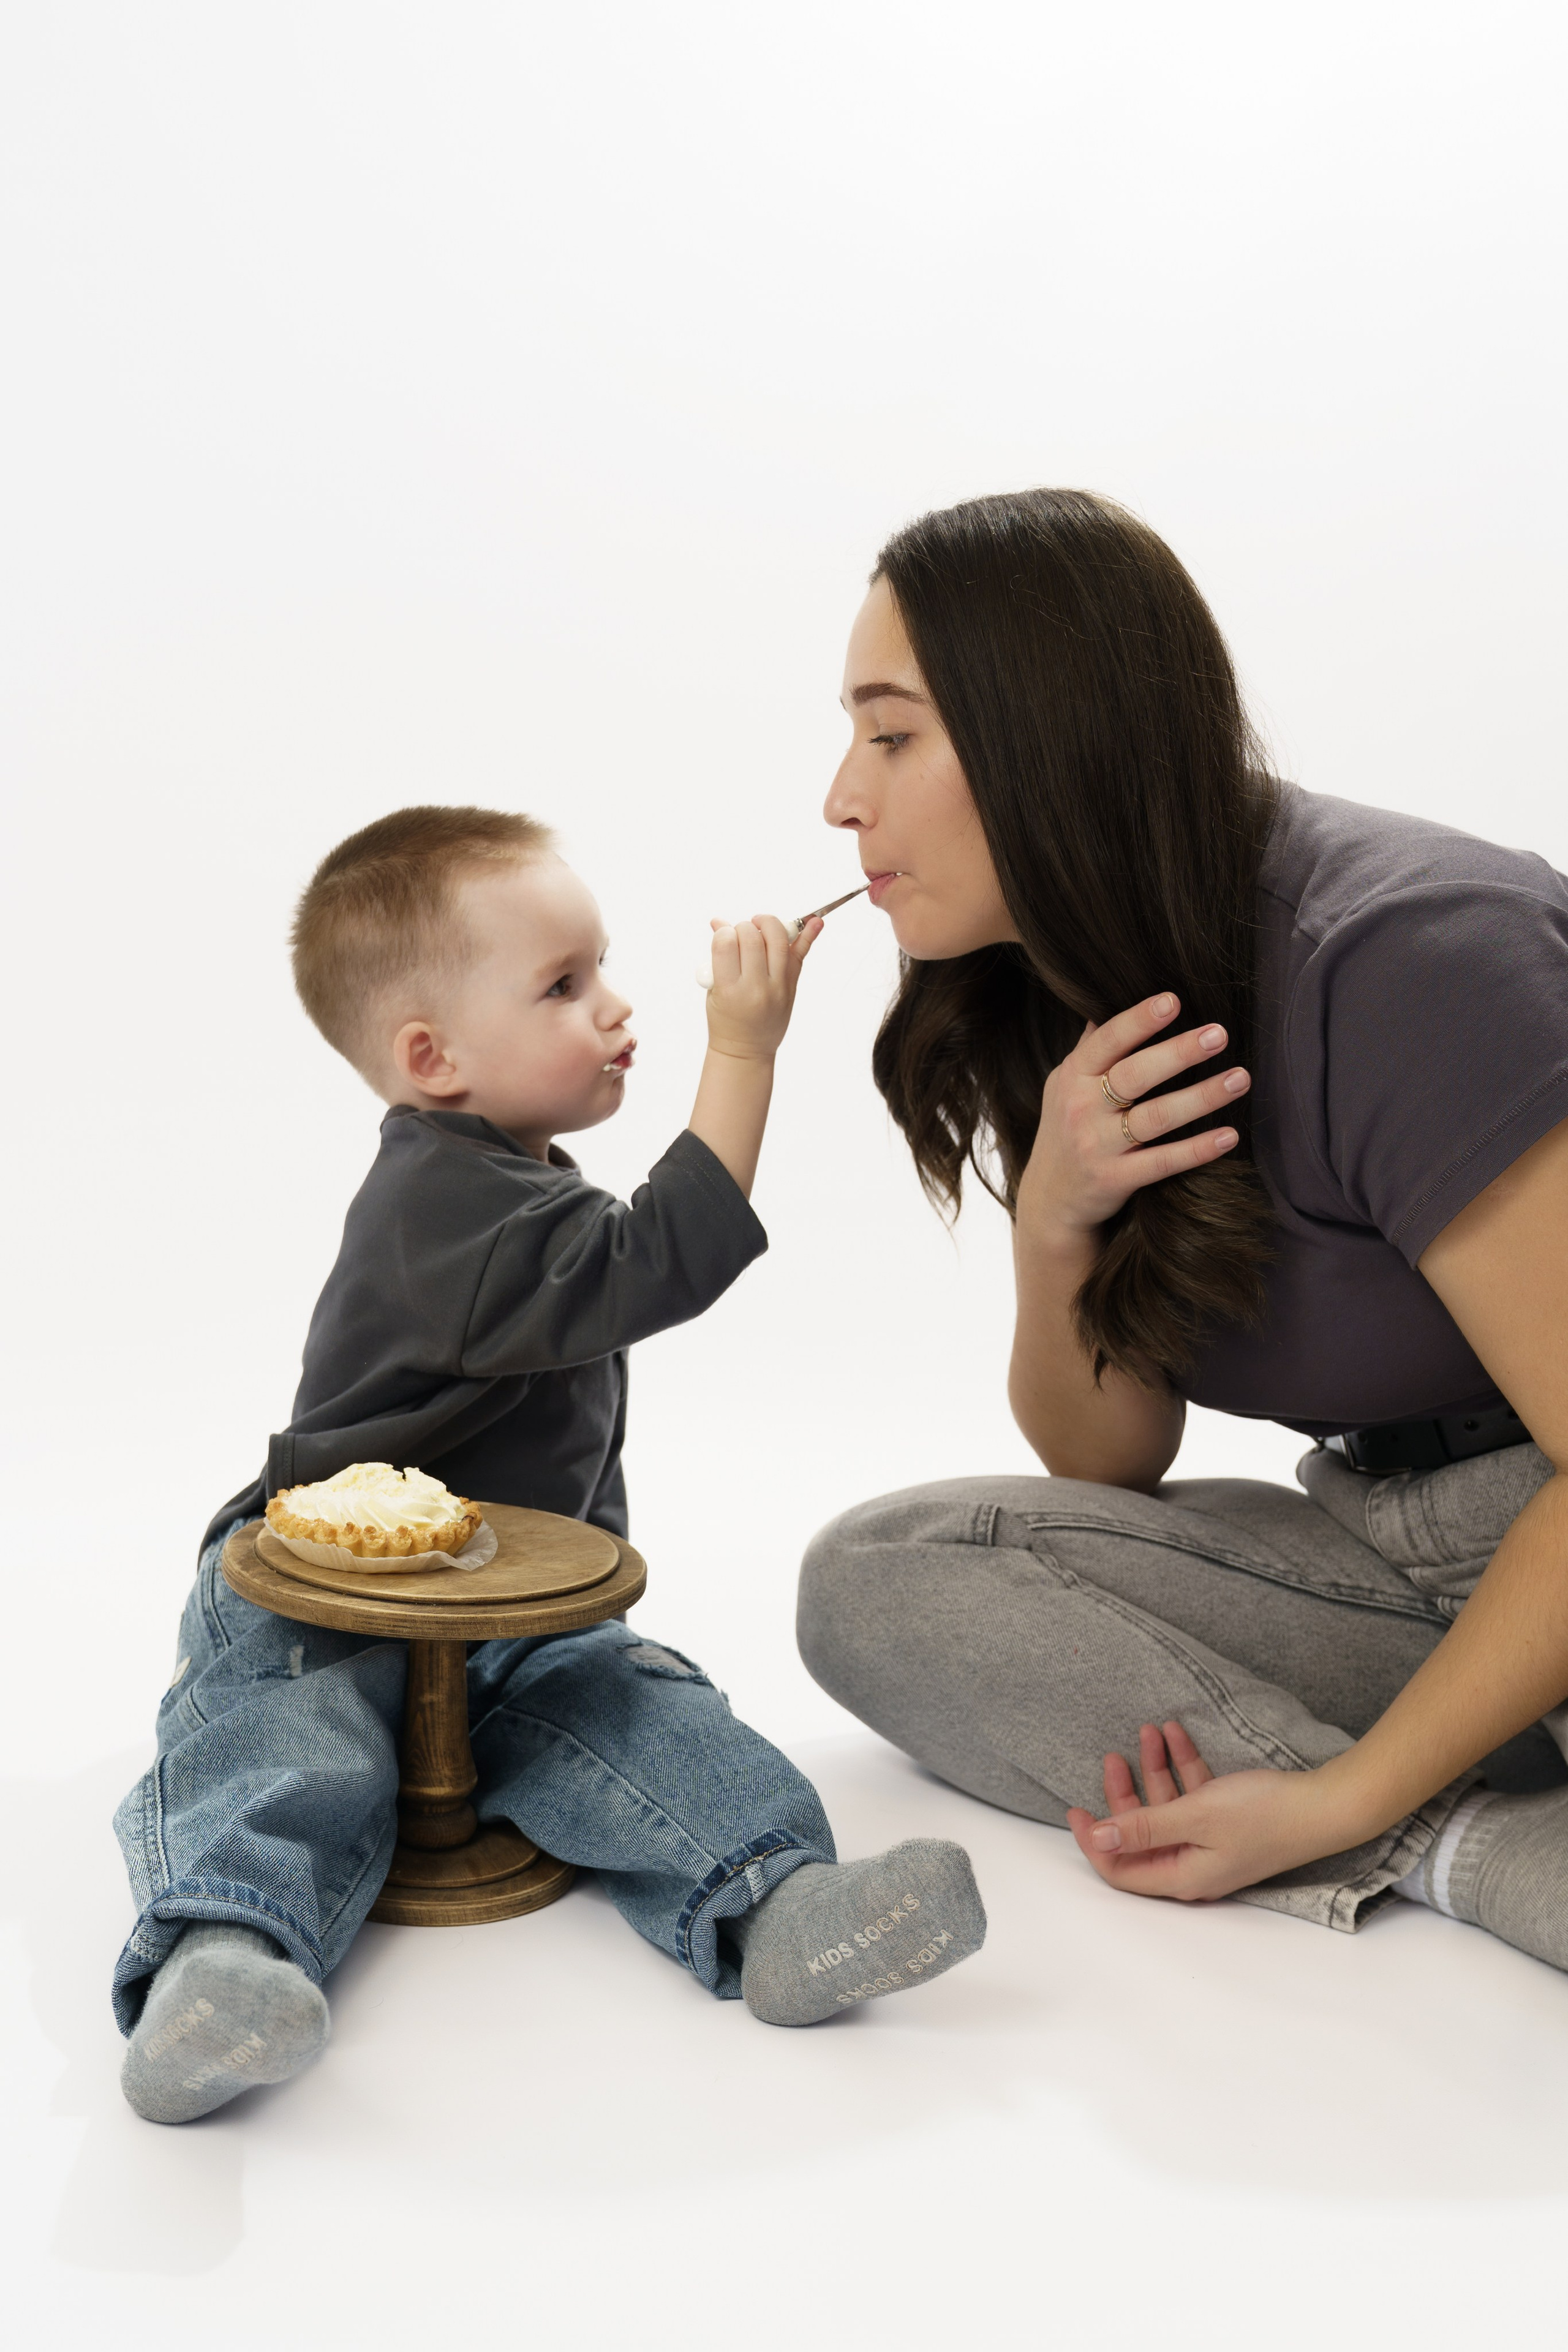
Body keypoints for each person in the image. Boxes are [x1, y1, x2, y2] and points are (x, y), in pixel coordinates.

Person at [113, 804, 984, 2125]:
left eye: (601, 971)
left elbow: (621, 1260)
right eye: (563, 986)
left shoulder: (508, 1181)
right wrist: (741, 1047)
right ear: (433, 1056)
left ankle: (779, 1900)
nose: (614, 1006)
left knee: (640, 1713)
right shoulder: (437, 1203)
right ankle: (220, 1959)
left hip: (504, 1618)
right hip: (319, 1596)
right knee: (270, 1738)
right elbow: (659, 1260)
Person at [797, 488, 1568, 1975]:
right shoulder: (1062, 976)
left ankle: (1392, 1809)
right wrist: (1054, 1220)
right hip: (1388, 1543)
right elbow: (1107, 1463)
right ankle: (1472, 1839)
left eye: (890, 736)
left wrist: (1344, 1785)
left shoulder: (1412, 959)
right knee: (878, 1578)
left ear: (1047, 744)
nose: (842, 797)